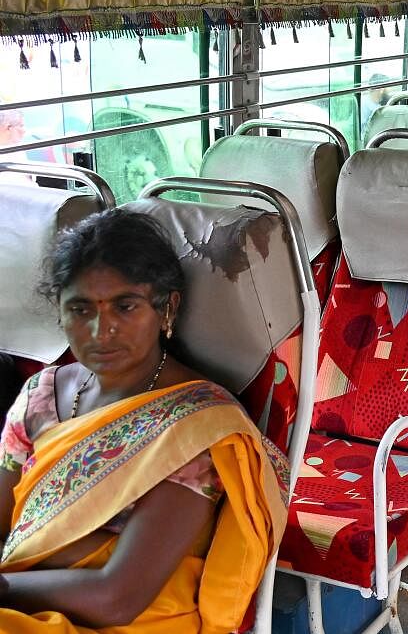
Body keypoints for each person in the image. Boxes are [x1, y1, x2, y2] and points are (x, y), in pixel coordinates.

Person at [0, 209, 289, 633]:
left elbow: (118, 596)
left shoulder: (194, 423)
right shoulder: (39, 397)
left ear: (166, 308)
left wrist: (10, 583)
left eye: (125, 306)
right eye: (81, 309)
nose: (101, 330)